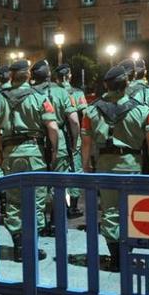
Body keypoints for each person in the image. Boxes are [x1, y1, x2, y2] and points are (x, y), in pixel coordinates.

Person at [81, 65, 149, 271]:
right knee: (131, 212)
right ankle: (128, 255)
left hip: (105, 167)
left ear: (106, 85)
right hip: (132, 166)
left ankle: (115, 257)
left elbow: (86, 144)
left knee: (110, 212)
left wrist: (86, 165)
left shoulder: (91, 110)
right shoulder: (143, 110)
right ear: (127, 84)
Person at [0, 59, 59, 261]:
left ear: (11, 76)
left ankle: (19, 246)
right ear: (28, 76)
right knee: (36, 200)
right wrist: (54, 151)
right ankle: (32, 247)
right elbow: (53, 128)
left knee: (13, 200)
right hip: (34, 153)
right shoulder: (39, 97)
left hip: (10, 153)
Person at [31, 59, 79, 235]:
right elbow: (74, 121)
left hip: (35, 143)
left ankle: (40, 224)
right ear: (49, 75)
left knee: (39, 187)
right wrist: (74, 143)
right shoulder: (61, 92)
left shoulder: (28, 93)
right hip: (58, 139)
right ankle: (57, 223)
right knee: (59, 185)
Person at [55, 63, 88, 218]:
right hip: (74, 135)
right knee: (76, 170)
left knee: (59, 171)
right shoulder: (77, 93)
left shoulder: (53, 93)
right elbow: (85, 114)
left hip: (58, 136)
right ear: (69, 76)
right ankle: (73, 207)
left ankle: (62, 204)